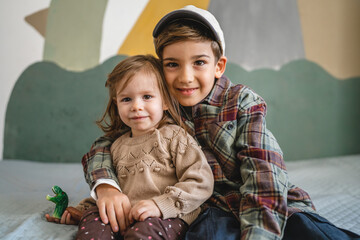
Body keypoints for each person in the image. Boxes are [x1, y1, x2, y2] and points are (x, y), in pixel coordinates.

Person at [81, 5, 360, 240]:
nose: (185, 77)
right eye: (172, 64)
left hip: (264, 202)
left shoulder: (242, 102)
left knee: (306, 230)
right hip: (209, 208)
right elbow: (106, 144)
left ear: (218, 66)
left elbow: (264, 173)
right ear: (159, 69)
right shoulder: (155, 106)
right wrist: (105, 185)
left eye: (199, 62)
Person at [47, 54, 214, 240]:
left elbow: (201, 182)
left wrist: (160, 205)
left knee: (145, 231)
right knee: (94, 220)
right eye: (126, 99)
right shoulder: (117, 146)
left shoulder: (175, 136)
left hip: (166, 216)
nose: (136, 106)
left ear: (165, 101)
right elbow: (113, 190)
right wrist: (82, 209)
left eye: (147, 97)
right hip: (124, 217)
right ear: (116, 103)